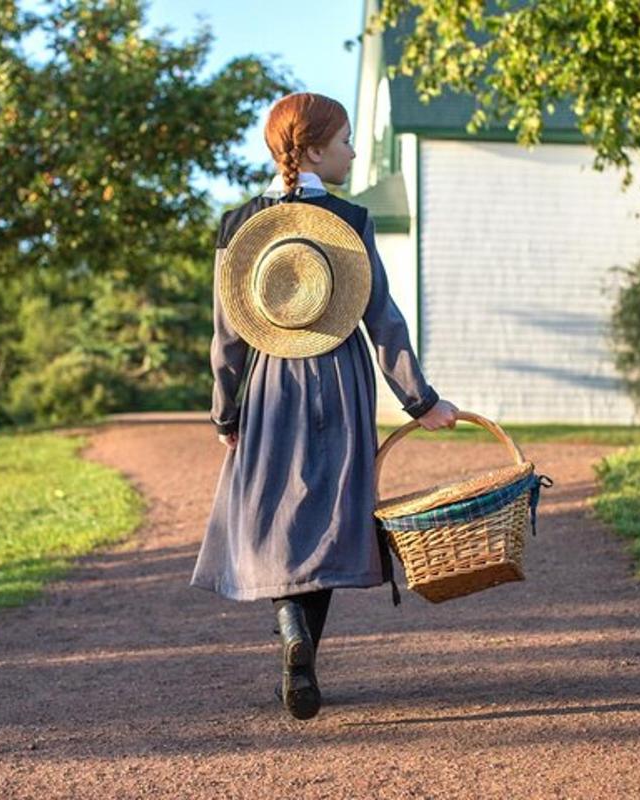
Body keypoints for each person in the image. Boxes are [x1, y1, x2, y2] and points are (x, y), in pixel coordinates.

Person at [190, 92, 459, 720]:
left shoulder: (238, 225)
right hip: (339, 380)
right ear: (312, 150)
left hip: (268, 386)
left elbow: (226, 338)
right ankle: (305, 652)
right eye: (344, 141)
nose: (354, 150)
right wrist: (421, 402)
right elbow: (383, 321)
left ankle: (290, 628)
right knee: (331, 520)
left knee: (276, 519)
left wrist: (225, 414)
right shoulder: (350, 221)